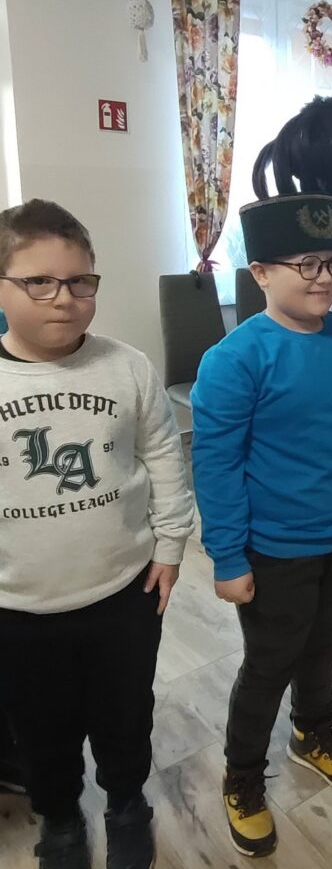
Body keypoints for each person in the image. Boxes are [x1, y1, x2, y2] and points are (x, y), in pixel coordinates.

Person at [191, 191, 332, 858]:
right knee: (270, 663)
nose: (325, 277)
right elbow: (216, 467)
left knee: (324, 641)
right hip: (276, 550)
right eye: (306, 264)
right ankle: (243, 777)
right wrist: (228, 558)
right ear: (260, 272)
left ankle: (312, 732)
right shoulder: (234, 360)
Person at [0, 199, 195, 868]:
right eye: (39, 281)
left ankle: (127, 804)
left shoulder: (127, 367)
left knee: (124, 714)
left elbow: (164, 454)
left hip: (124, 594)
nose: (64, 298)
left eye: (80, 281)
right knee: (40, 727)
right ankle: (59, 818)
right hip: (19, 610)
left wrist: (171, 546)